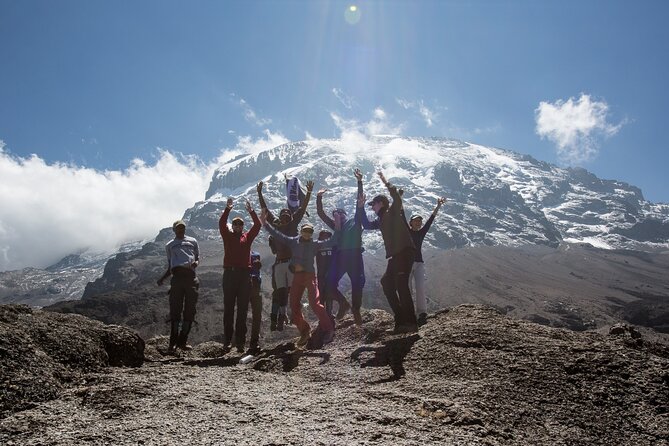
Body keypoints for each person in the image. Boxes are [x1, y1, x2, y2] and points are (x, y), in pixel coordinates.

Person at [259, 210, 336, 348]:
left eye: (310, 232)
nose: (307, 233)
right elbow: (277, 235)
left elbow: (333, 240)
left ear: (312, 233)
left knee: (315, 303)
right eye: (305, 231)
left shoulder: (315, 244)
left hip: (310, 277)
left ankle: (328, 328)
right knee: (293, 306)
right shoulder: (293, 241)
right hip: (298, 278)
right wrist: (265, 224)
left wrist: (339, 226)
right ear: (301, 231)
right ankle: (305, 330)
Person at [356, 171, 418, 333]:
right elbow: (366, 225)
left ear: (381, 203)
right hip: (395, 256)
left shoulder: (392, 212)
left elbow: (397, 198)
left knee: (401, 285)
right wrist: (360, 207)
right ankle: (400, 319)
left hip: (404, 252)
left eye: (373, 204)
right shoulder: (380, 220)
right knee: (387, 283)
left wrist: (385, 182)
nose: (373, 207)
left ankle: (410, 322)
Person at [257, 179, 313, 331]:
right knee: (280, 292)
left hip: (290, 264)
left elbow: (302, 209)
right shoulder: (275, 228)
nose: (286, 216)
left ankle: (295, 319)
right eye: (284, 215)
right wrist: (259, 193)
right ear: (280, 217)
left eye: (288, 215)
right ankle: (279, 318)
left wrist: (308, 193)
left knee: (292, 292)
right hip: (279, 264)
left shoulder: (293, 226)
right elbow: (265, 210)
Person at [316, 168, 366, 324]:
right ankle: (343, 303)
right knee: (329, 284)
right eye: (335, 214)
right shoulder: (336, 227)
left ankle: (356, 310)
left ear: (345, 214)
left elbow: (359, 203)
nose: (336, 215)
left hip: (355, 255)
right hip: (341, 257)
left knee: (357, 283)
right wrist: (318, 197)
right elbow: (320, 213)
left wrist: (359, 182)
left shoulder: (355, 221)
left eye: (339, 213)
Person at [219, 198, 261, 353]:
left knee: (242, 310)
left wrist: (251, 211)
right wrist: (227, 209)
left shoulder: (247, 237)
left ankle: (240, 343)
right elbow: (221, 224)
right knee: (229, 309)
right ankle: (227, 341)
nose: (237, 226)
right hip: (229, 274)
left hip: (244, 276)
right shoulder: (227, 235)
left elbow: (257, 226)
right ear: (232, 226)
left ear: (243, 227)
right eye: (235, 224)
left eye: (240, 224)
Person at [157, 220, 200, 354]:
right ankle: (172, 344)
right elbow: (170, 265)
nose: (181, 230)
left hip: (191, 277)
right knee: (175, 311)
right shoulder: (169, 245)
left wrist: (196, 263)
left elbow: (198, 257)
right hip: (177, 278)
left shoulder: (193, 241)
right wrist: (163, 278)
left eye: (183, 228)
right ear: (174, 230)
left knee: (190, 310)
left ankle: (182, 341)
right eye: (178, 228)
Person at [406, 197, 446, 326]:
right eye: (416, 221)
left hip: (419, 263)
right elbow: (400, 216)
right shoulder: (406, 232)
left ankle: (422, 314)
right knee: (407, 289)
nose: (418, 223)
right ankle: (408, 313)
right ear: (410, 222)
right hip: (406, 264)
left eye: (419, 221)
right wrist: (398, 199)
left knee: (420, 287)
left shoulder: (421, 233)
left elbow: (430, 220)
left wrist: (438, 206)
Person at [316, 230, 349, 324]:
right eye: (323, 236)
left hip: (330, 273)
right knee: (322, 294)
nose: (325, 238)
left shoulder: (334, 246)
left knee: (329, 291)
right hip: (321, 274)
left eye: (327, 236)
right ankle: (325, 316)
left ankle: (329, 314)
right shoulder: (317, 246)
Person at [248, 251, 263, 353]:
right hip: (251, 284)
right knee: (256, 315)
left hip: (253, 284)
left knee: (256, 314)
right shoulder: (255, 254)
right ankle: (253, 343)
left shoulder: (256, 254)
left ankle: (252, 343)